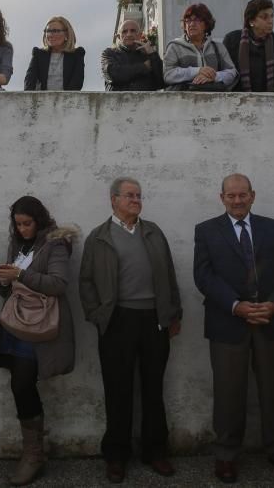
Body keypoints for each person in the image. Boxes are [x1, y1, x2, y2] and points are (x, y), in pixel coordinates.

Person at [193, 173, 274, 483]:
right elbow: (204, 276)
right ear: (221, 197)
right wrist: (236, 306)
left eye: (243, 195)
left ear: (252, 195)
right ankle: (226, 454)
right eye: (231, 195)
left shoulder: (272, 227)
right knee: (228, 394)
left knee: (273, 391)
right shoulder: (207, 231)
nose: (237, 200)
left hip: (270, 322)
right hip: (228, 324)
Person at [79, 177, 182, 483]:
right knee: (118, 390)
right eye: (129, 195)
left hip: (154, 320)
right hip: (116, 321)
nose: (136, 200)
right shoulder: (99, 238)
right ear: (114, 200)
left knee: (153, 388)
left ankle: (156, 451)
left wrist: (173, 313)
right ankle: (116, 456)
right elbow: (85, 282)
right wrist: (98, 315)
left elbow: (169, 274)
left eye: (138, 195)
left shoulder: (153, 232)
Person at [0, 196, 77, 486]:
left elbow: (59, 284)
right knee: (19, 384)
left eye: (27, 224)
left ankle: (34, 455)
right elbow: (9, 291)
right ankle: (33, 452)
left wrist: (21, 274)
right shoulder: (17, 244)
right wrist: (4, 281)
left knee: (22, 383)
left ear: (39, 220)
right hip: (16, 324)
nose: (22, 229)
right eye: (18, 224)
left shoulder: (54, 244)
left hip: (40, 329)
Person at [222, 0, 274, 92]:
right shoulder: (232, 40)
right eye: (264, 17)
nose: (270, 21)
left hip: (273, 101)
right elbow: (225, 71)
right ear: (251, 21)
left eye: (272, 16)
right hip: (239, 101)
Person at [162, 3, 237, 91]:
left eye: (197, 20)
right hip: (183, 102)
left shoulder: (218, 47)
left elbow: (232, 72)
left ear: (207, 24)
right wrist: (197, 71)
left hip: (214, 102)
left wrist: (214, 77)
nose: (191, 24)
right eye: (188, 20)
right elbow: (168, 75)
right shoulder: (174, 47)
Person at [23, 16, 85, 91]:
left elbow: (76, 84)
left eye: (56, 31)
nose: (51, 34)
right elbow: (29, 83)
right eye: (48, 31)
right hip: (41, 101)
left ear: (67, 34)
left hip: (68, 101)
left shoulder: (77, 55)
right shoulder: (38, 54)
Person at [100, 19, 164, 91]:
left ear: (140, 35)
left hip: (146, 101)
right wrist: (144, 67)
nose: (129, 34)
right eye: (124, 31)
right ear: (119, 37)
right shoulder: (109, 53)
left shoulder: (148, 55)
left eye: (133, 31)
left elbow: (161, 81)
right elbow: (113, 74)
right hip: (117, 101)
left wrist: (153, 54)